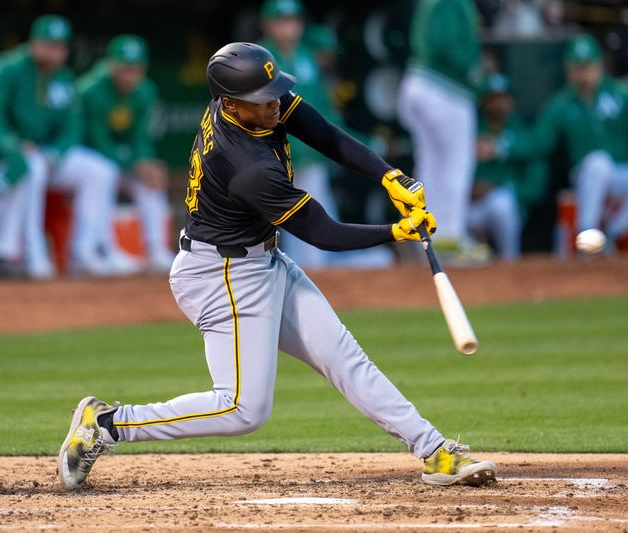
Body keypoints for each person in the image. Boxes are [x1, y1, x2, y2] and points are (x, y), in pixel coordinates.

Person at [57, 43, 497, 490]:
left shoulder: (246, 100)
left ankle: (434, 451)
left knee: (344, 357)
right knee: (242, 410)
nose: (276, 104)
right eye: (264, 98)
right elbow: (322, 232)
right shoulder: (245, 165)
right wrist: (396, 232)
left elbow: (322, 132)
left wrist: (387, 175)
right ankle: (108, 423)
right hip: (220, 278)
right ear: (230, 102)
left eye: (275, 93)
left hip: (261, 260)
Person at [523, 33, 628, 249]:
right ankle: (588, 237)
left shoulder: (622, 94)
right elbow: (539, 141)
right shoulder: (562, 104)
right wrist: (503, 146)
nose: (583, 74)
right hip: (585, 174)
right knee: (598, 163)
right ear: (568, 70)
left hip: (620, 171)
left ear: (599, 66)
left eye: (587, 67)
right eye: (577, 68)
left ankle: (611, 234)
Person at [397, 0, 488, 263]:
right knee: (456, 162)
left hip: (419, 82)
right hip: (442, 87)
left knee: (431, 163)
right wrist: (474, 72)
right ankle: (450, 236)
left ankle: (426, 235)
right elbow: (444, 44)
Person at [0, 14, 79, 278]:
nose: (53, 52)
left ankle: (85, 253)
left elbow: (73, 128)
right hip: (0, 158)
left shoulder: (64, 77)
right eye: (47, 44)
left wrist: (55, 152)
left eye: (59, 46)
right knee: (29, 167)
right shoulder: (8, 69)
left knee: (97, 172)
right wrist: (12, 145)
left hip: (36, 157)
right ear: (33, 43)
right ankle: (26, 253)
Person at [77, 34, 175, 272]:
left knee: (150, 180)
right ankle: (103, 251)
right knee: (105, 173)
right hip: (90, 158)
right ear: (110, 64)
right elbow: (96, 142)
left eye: (135, 69)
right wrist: (134, 163)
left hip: (123, 161)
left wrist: (146, 163)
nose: (129, 75)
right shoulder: (91, 90)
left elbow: (141, 138)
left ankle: (157, 250)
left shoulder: (145, 91)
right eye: (123, 68)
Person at [258, 0, 342, 269]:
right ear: (268, 24)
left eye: (293, 20)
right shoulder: (258, 56)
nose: (289, 26)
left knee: (312, 216)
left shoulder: (307, 54)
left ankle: (314, 274)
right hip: (271, 151)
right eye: (282, 20)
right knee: (271, 221)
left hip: (307, 151)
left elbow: (320, 105)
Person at [471, 72, 549, 260]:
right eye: (493, 99)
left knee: (502, 203)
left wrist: (497, 184)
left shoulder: (520, 129)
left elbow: (535, 172)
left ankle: (510, 262)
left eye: (503, 98)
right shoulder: (470, 129)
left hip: (504, 205)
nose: (498, 105)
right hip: (471, 207)